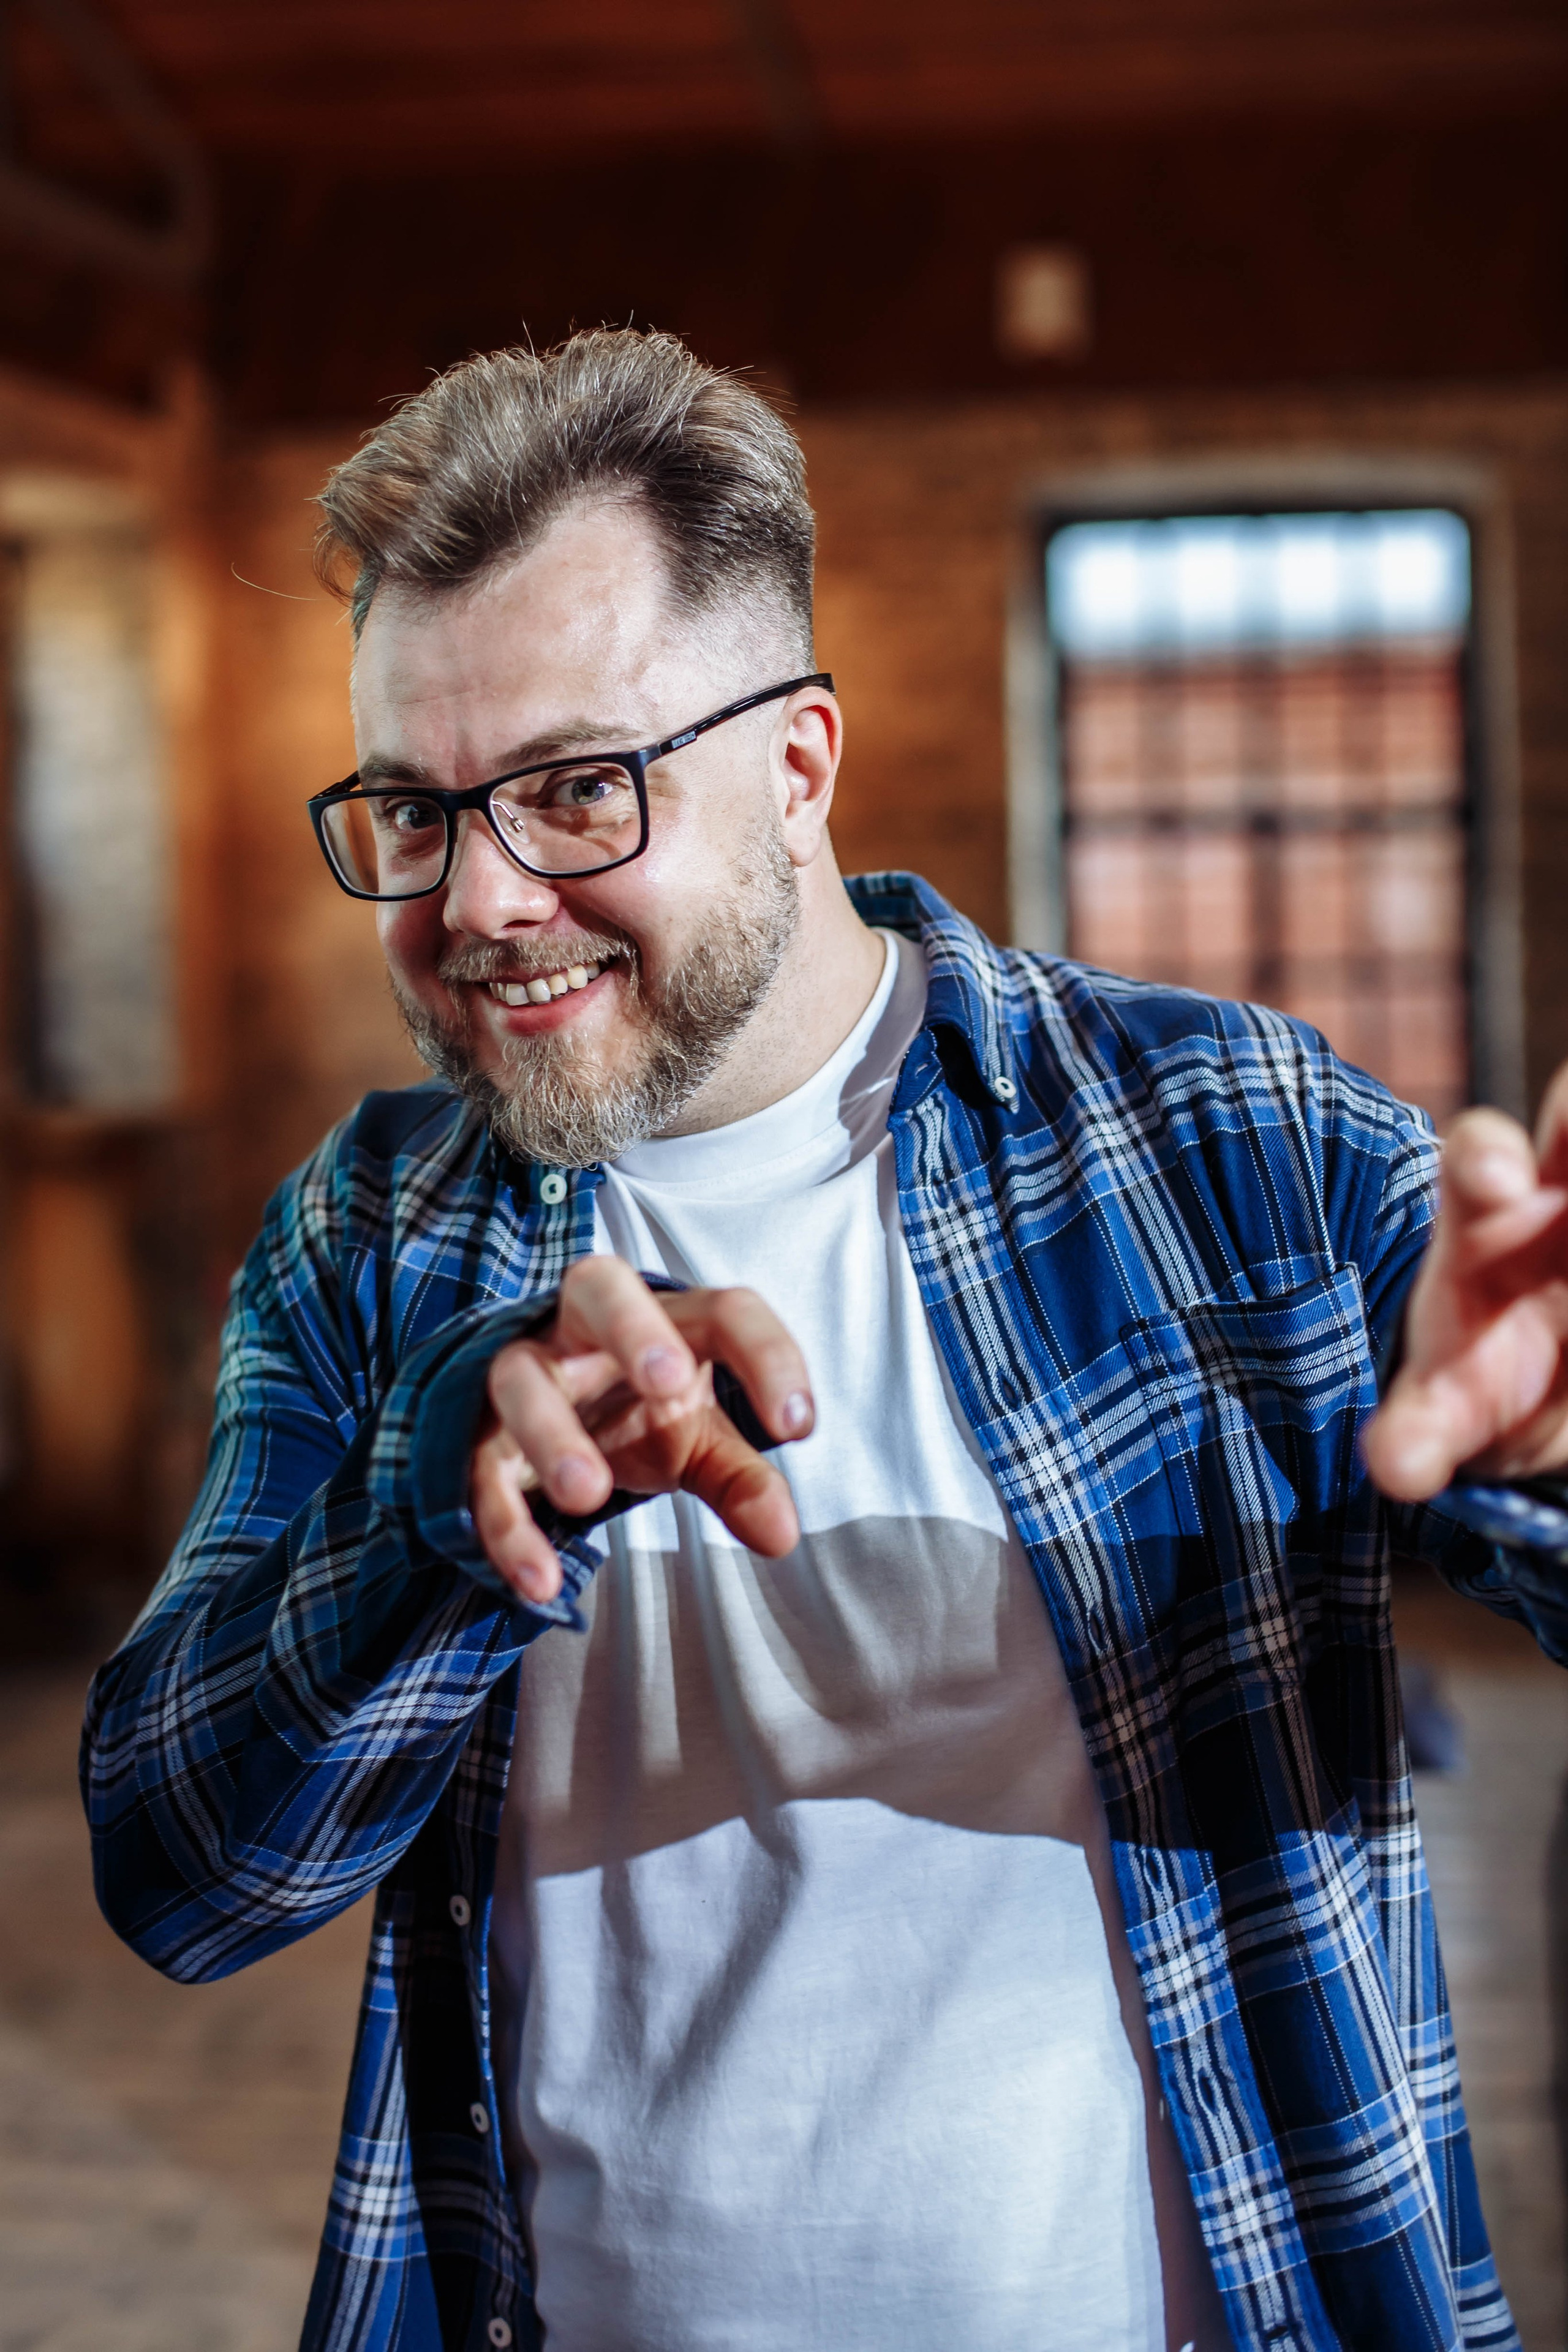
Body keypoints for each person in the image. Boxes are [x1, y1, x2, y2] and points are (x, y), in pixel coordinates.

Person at [82, 328, 1568, 2352]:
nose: (485, 898)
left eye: (579, 788)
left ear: (797, 768)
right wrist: (431, 1515)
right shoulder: (374, 1234)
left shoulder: (1233, 1141)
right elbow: (180, 1876)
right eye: (415, 816)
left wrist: (1552, 1458)